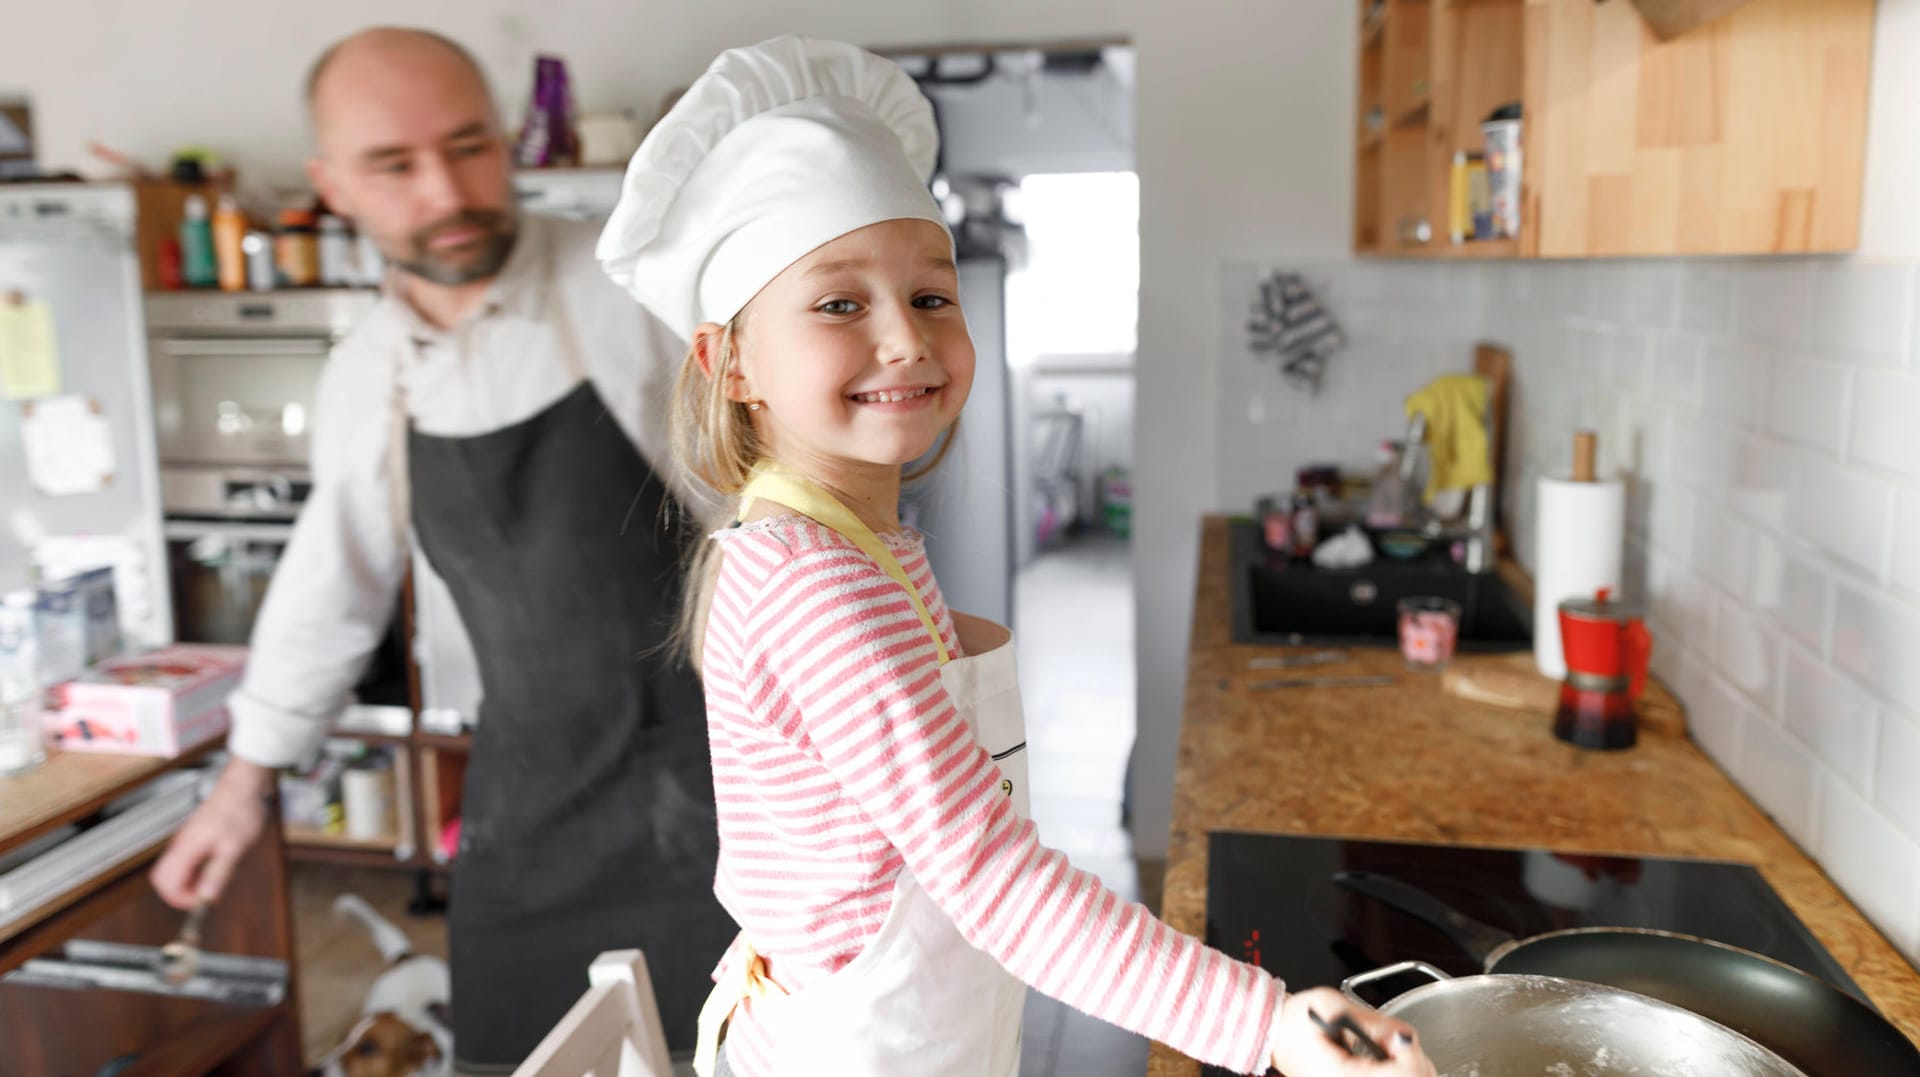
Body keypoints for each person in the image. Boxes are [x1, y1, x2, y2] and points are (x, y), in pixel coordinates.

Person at [594, 35, 1438, 1077]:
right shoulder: (816, 584)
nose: (904, 338)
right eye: (839, 302)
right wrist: (1264, 1024)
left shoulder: (855, 540)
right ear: (730, 362)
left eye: (932, 296)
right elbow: (992, 878)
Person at [150, 27, 735, 1072]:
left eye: (469, 147)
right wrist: (242, 790)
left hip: (722, 787)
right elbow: (333, 588)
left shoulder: (634, 291)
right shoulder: (368, 373)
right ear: (333, 187)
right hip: (533, 806)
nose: (446, 189)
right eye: (395, 165)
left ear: (507, 142)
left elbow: (768, 528)